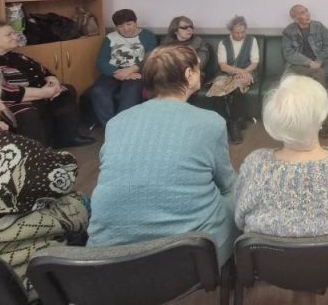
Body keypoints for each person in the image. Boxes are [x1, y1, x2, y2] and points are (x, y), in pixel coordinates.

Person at [88, 44, 238, 266]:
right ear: (189, 74)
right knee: (237, 193)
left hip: (106, 256)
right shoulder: (210, 122)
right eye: (198, 68)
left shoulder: (116, 122)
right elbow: (227, 183)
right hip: (190, 255)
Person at [0, 63, 89, 290]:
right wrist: (3, 140)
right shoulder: (5, 149)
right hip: (7, 283)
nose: (2, 107)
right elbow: (64, 173)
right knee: (79, 201)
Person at [235, 74, 328, 237]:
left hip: (266, 254)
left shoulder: (254, 166)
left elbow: (239, 220)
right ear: (322, 117)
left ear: (274, 120)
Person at [0, 21, 94, 147]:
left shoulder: (14, 56)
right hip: (11, 101)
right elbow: (1, 91)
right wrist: (42, 93)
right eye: (9, 34)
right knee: (26, 112)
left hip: (38, 93)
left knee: (66, 90)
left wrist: (52, 80)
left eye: (14, 33)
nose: (16, 37)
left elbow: (43, 69)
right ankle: (37, 150)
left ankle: (67, 138)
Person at [91, 9, 157, 126]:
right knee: (98, 91)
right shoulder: (110, 37)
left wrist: (131, 70)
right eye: (120, 26)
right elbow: (101, 61)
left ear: (136, 22)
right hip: (114, 72)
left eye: (129, 24)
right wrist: (117, 72)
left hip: (136, 73)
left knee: (131, 92)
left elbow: (150, 57)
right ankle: (110, 127)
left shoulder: (148, 36)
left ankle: (123, 126)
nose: (126, 29)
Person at [282, 4, 328, 138]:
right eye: (301, 13)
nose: (307, 14)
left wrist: (319, 61)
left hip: (318, 65)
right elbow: (288, 54)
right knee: (317, 74)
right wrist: (309, 63)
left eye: (306, 11)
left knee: (318, 73)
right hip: (298, 66)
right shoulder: (288, 31)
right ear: (295, 18)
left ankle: (321, 122)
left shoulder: (319, 27)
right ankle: (317, 124)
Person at [208, 15, 259, 145]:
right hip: (227, 73)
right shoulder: (223, 43)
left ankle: (235, 124)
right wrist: (239, 71)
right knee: (216, 92)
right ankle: (224, 123)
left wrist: (244, 72)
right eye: (237, 32)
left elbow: (254, 63)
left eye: (243, 32)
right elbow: (223, 66)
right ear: (230, 31)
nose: (240, 35)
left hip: (247, 72)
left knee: (237, 89)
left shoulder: (252, 40)